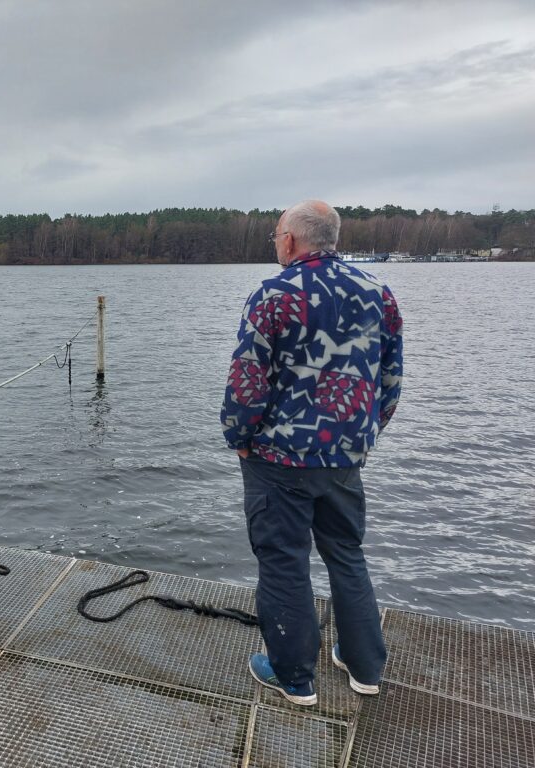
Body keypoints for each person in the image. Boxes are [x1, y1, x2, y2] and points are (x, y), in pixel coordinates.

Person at [220, 200, 403, 706]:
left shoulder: (273, 295)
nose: (276, 243)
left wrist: (238, 437)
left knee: (283, 562)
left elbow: (247, 380)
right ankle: (365, 668)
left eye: (277, 235)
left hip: (278, 459)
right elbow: (390, 381)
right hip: (344, 456)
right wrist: (361, 435)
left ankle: (295, 678)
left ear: (292, 240)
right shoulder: (377, 294)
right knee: (346, 553)